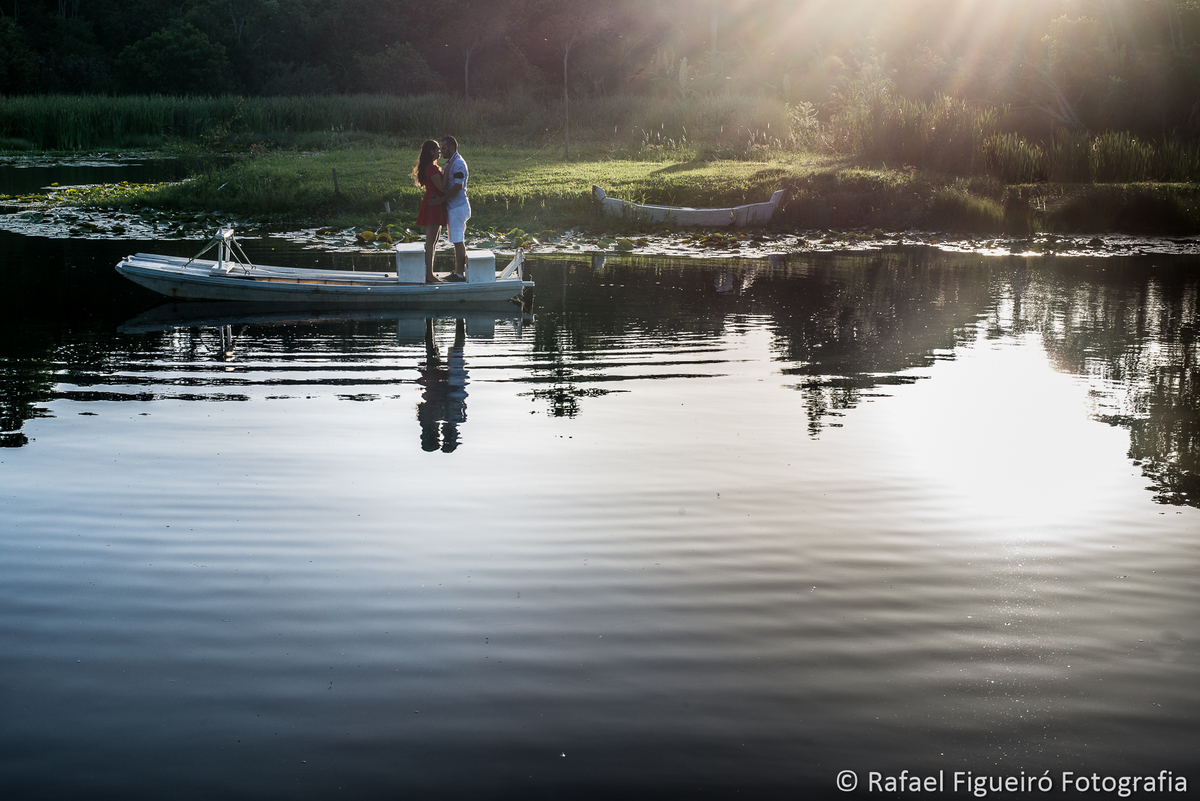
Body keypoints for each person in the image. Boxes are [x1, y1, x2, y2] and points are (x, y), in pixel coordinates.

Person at [410, 139, 447, 283]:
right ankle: (429, 274)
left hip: (434, 203)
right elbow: (442, 188)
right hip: (433, 204)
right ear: (431, 152)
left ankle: (429, 272)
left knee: (434, 240)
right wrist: (449, 172)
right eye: (438, 149)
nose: (439, 151)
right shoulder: (432, 168)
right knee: (430, 241)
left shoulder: (431, 167)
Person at [438, 136, 471, 281]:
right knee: (456, 240)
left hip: (458, 207)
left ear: (452, 148)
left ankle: (459, 274)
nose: (441, 151)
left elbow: (458, 186)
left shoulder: (457, 163)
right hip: (454, 207)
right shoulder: (452, 161)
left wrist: (442, 199)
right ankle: (457, 271)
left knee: (458, 241)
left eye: (443, 148)